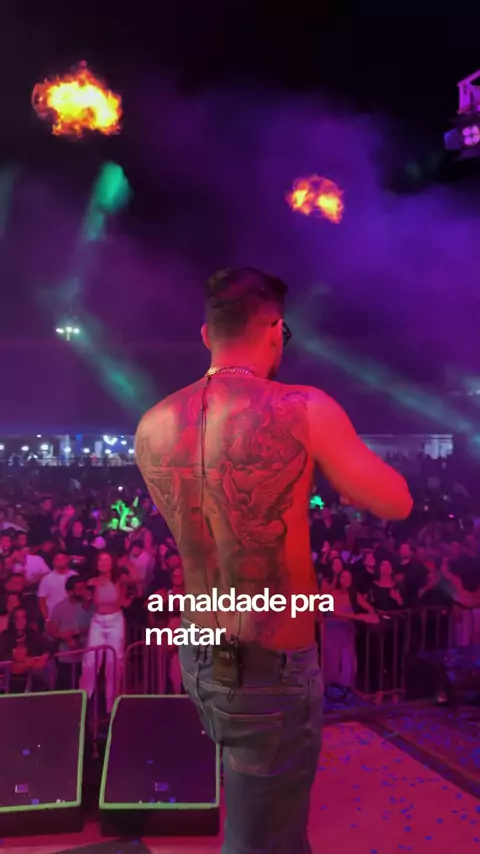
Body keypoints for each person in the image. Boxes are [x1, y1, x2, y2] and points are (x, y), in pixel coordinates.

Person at [135, 267, 412, 854]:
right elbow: (397, 501)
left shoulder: (152, 423)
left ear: (206, 335)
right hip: (269, 666)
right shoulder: (301, 407)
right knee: (263, 840)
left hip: (197, 652)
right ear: (275, 329)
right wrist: (332, 458)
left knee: (267, 818)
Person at [80, 551, 131, 712]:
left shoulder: (119, 580)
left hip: (115, 621)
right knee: (90, 661)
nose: (103, 563)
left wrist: (126, 563)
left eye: (107, 560)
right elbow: (86, 606)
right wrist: (86, 596)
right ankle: (84, 700)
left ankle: (111, 704)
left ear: (112, 563)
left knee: (113, 662)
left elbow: (137, 581)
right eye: (101, 560)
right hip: (98, 621)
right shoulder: (92, 582)